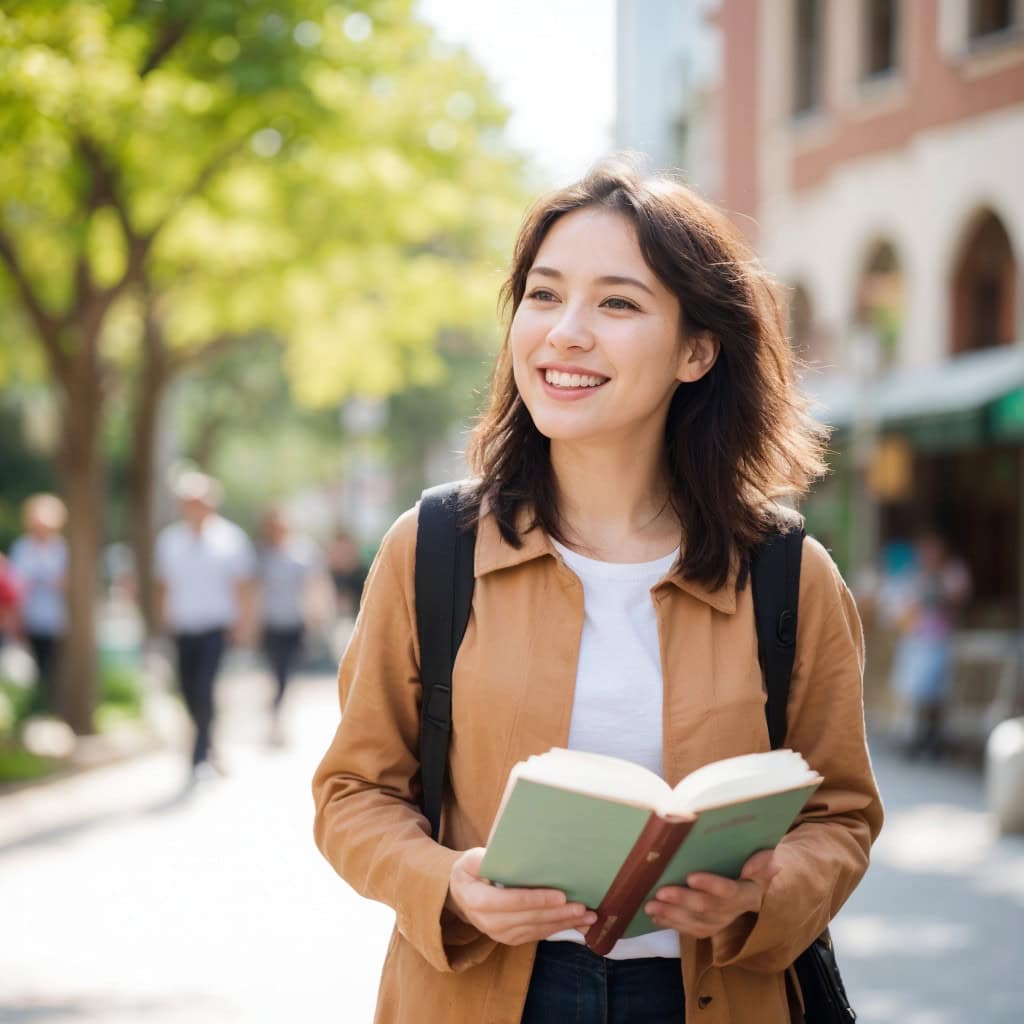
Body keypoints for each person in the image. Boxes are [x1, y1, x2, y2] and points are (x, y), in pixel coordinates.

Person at [312, 163, 883, 1023]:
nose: (565, 333)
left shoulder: (788, 574)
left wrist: (762, 893)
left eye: (616, 304)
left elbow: (841, 816)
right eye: (544, 296)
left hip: (710, 997)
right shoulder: (432, 551)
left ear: (697, 350)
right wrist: (450, 885)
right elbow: (352, 794)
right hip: (481, 993)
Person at [155, 472, 256, 781]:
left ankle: (198, 757)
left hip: (215, 627)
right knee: (188, 692)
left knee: (205, 688)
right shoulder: (169, 541)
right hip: (183, 627)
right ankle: (209, 745)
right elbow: (164, 585)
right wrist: (162, 622)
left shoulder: (230, 539)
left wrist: (244, 625)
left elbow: (242, 586)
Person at [888, 529, 971, 759]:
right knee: (913, 693)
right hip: (915, 640)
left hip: (940, 641)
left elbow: (959, 597)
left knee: (936, 693)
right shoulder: (912, 575)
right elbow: (899, 608)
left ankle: (934, 740)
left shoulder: (951, 573)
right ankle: (914, 739)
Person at [257, 505, 323, 744]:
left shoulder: (303, 552)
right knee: (276, 672)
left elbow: (313, 585)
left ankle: (280, 714)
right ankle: (276, 713)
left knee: (288, 672)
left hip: (295, 622)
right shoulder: (263, 555)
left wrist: (316, 615)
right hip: (271, 622)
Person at [8, 494, 68, 713]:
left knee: (54, 670)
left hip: (56, 619)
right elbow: (16, 587)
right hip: (30, 618)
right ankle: (36, 709)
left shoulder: (62, 549)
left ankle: (53, 709)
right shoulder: (22, 548)